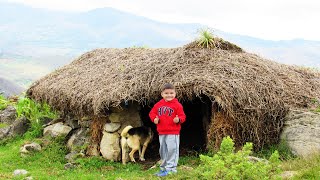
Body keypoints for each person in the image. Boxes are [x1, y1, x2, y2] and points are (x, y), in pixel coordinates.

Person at [149, 83, 186, 177]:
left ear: (175, 93)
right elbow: (152, 113)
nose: (169, 95)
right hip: (161, 132)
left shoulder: (177, 105)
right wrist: (155, 119)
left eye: (171, 93)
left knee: (172, 150)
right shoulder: (158, 105)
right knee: (163, 150)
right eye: (166, 93)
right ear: (162, 94)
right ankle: (163, 168)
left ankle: (171, 169)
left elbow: (183, 116)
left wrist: (178, 119)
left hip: (173, 132)